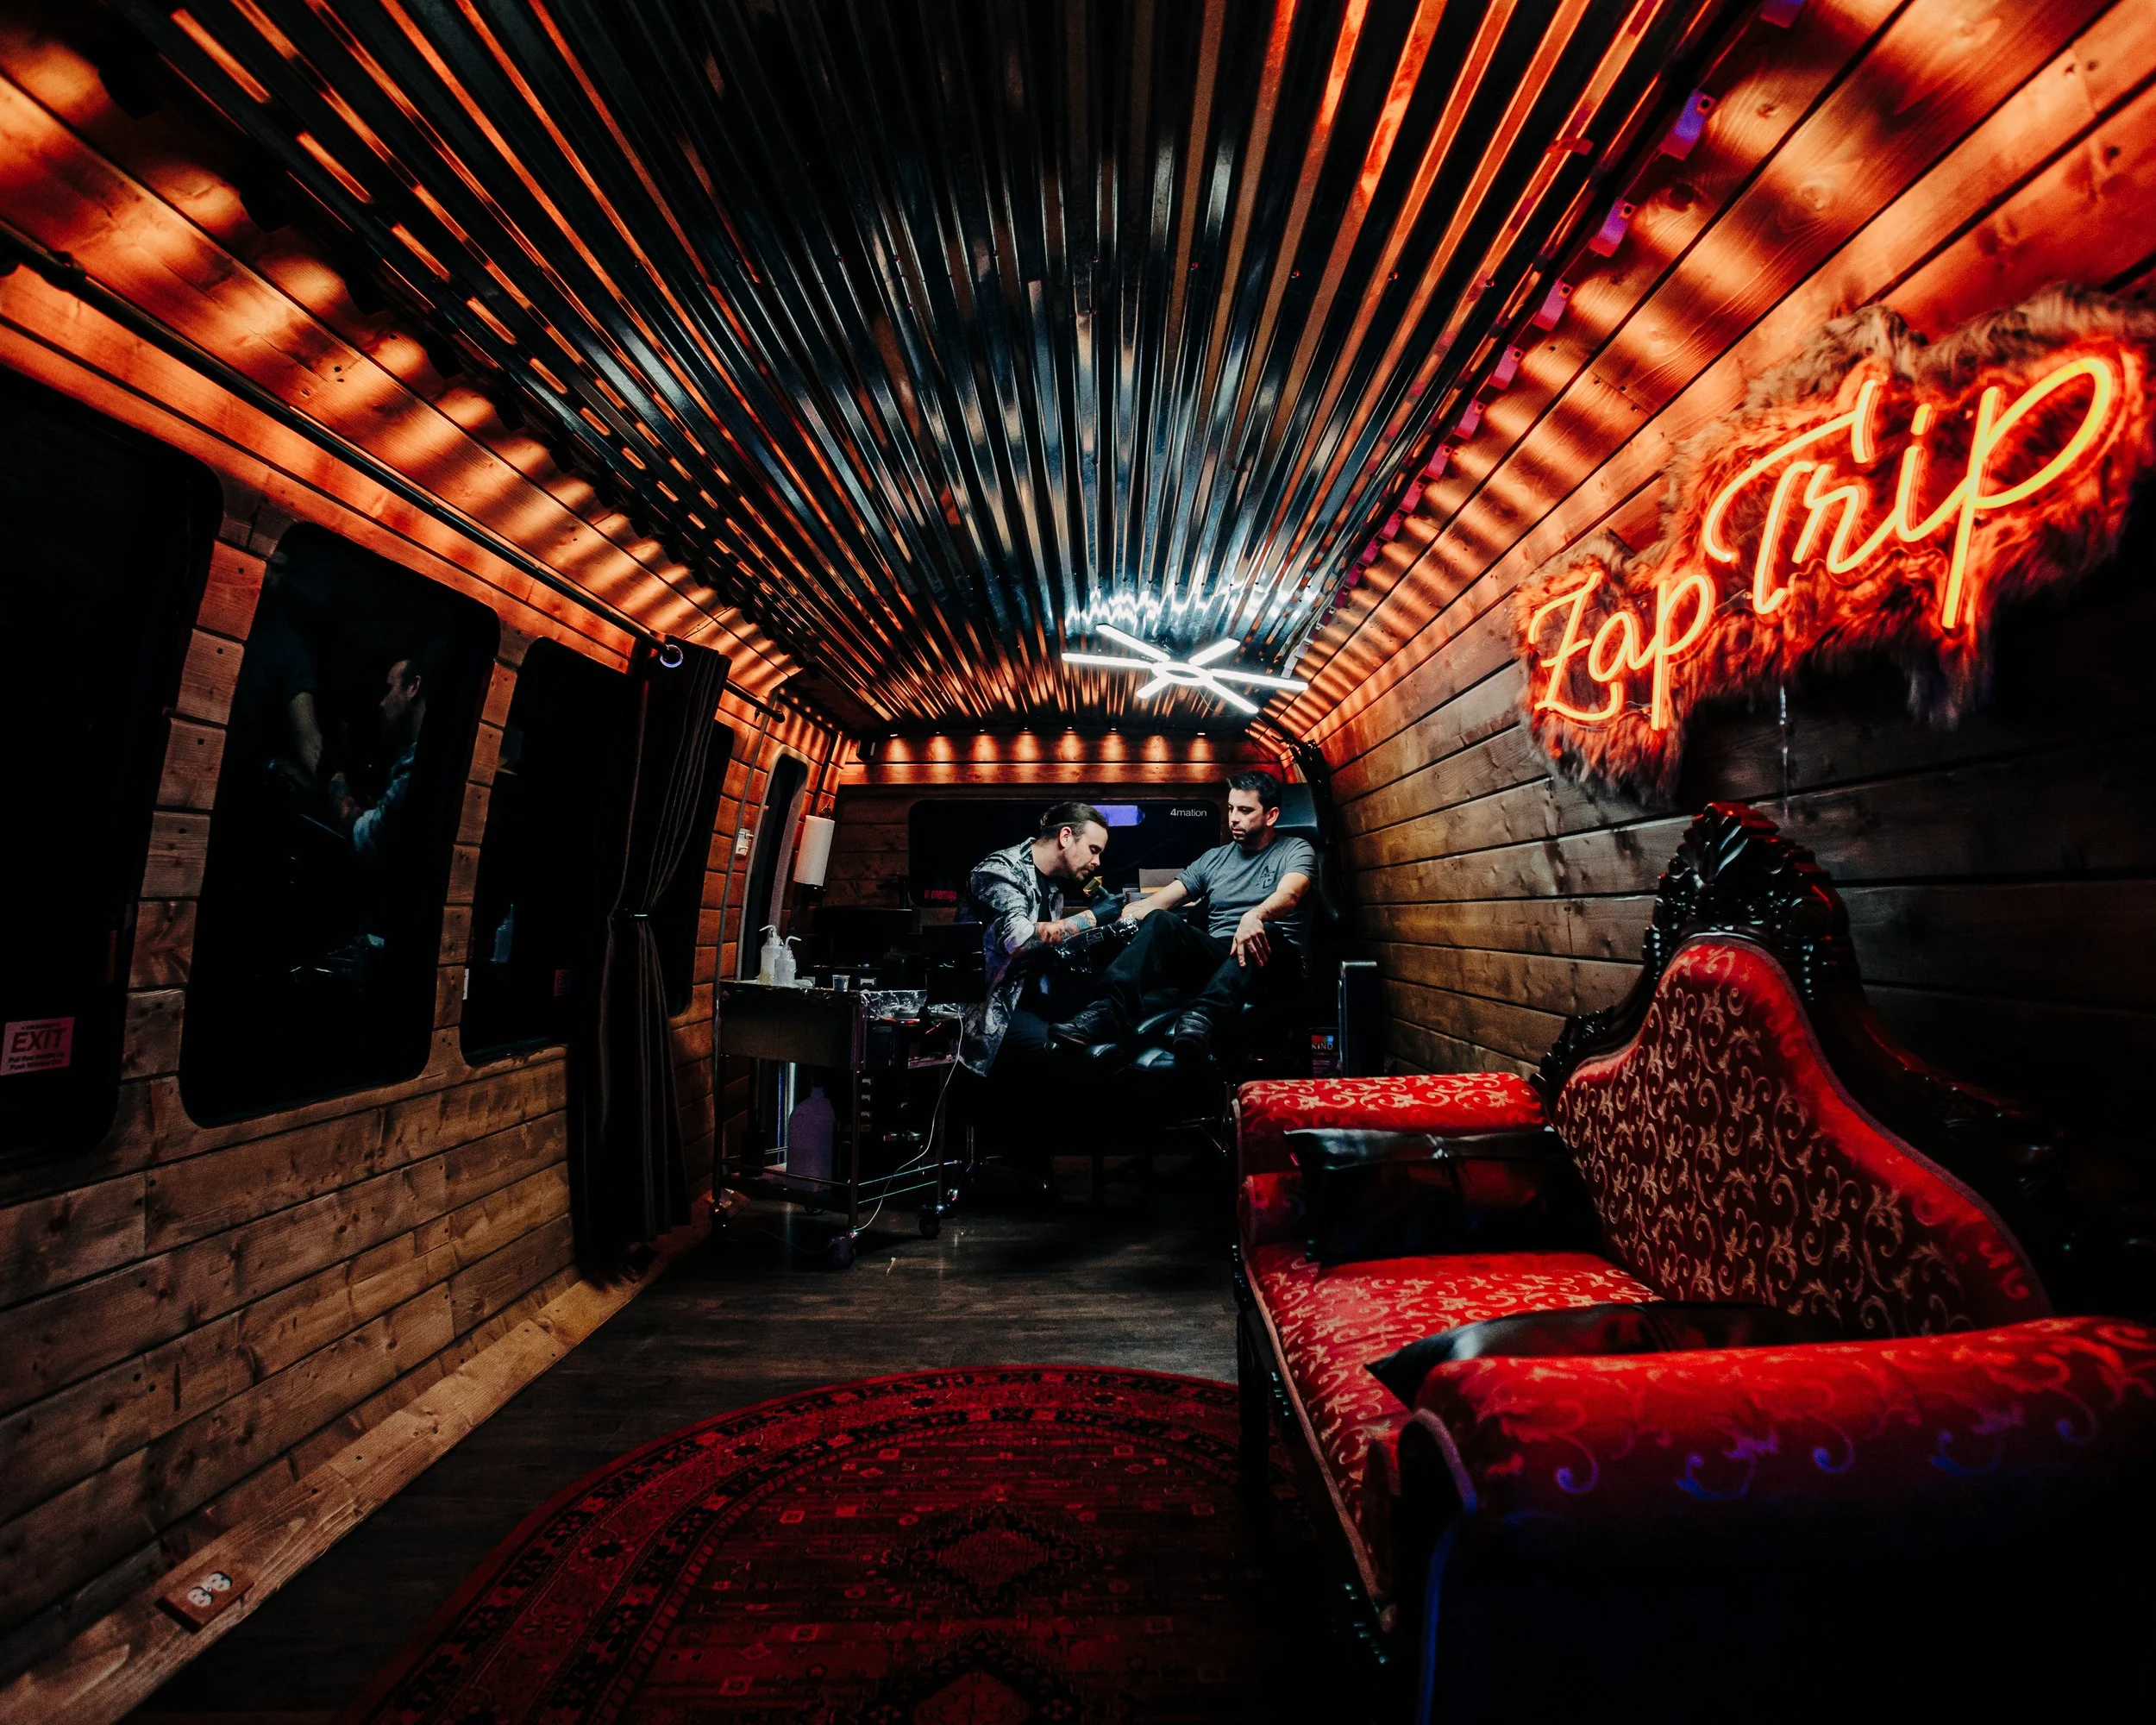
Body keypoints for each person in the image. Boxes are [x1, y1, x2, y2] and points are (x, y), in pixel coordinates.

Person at [1052, 771, 1313, 1069]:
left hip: (1275, 966)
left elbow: (1290, 894)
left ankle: (1204, 1017)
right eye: (1230, 809)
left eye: (1244, 810)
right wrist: (1107, 922)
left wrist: (1255, 915)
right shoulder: (1214, 859)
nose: (1233, 818)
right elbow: (1157, 903)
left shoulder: (1295, 850)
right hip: (1222, 959)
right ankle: (1108, 1010)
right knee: (1160, 920)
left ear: (1271, 815)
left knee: (1264, 930)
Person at [958, 802, 1112, 1076]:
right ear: (1066, 836)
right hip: (989, 1009)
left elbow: (1049, 943)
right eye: (1093, 850)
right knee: (1062, 1053)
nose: (1097, 862)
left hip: (1032, 998)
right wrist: (1093, 916)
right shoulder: (999, 871)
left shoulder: (1053, 882)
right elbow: (1018, 940)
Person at [330, 649, 431, 867]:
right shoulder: (411, 758)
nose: (382, 703)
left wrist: (337, 780)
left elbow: (368, 838)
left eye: (388, 690)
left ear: (413, 687)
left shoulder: (416, 768)